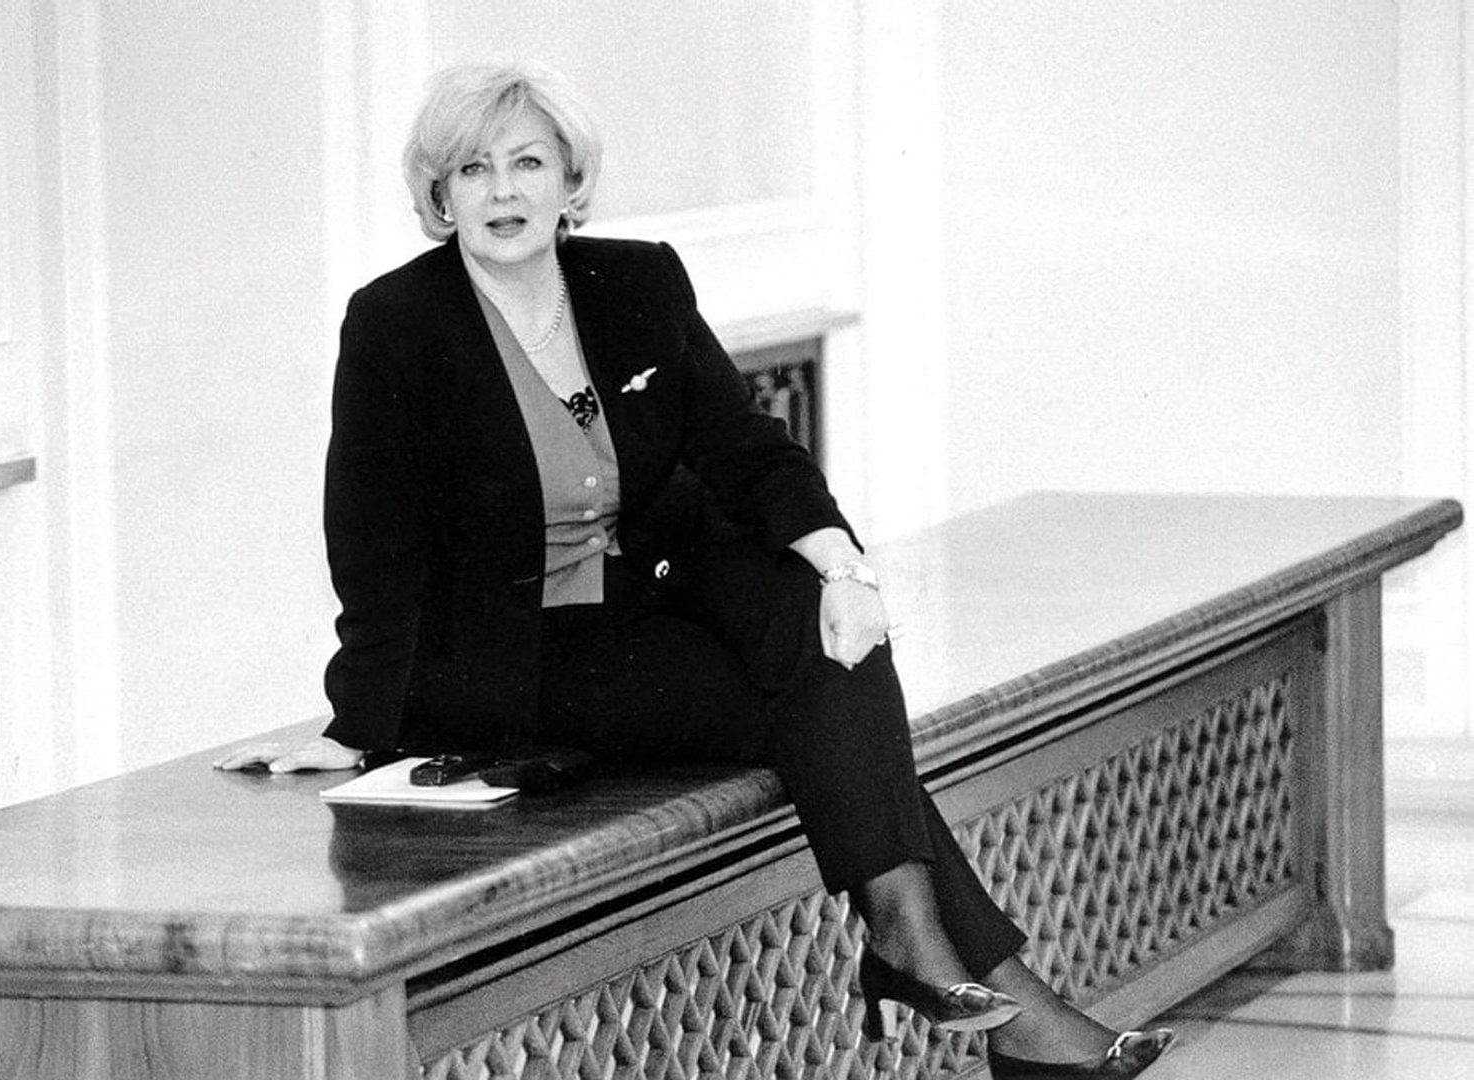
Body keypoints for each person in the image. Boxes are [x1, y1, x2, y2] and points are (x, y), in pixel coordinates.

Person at [217, 61, 1174, 1079]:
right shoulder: (397, 322)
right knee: (825, 709)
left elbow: (742, 443)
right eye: (472, 169)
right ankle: (977, 988)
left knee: (821, 633)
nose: (502, 191)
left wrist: (844, 569)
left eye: (527, 163)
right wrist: (356, 722)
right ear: (439, 194)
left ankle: (925, 953)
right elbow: (370, 538)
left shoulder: (636, 281)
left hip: (649, 610)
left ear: (570, 180)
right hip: (514, 661)